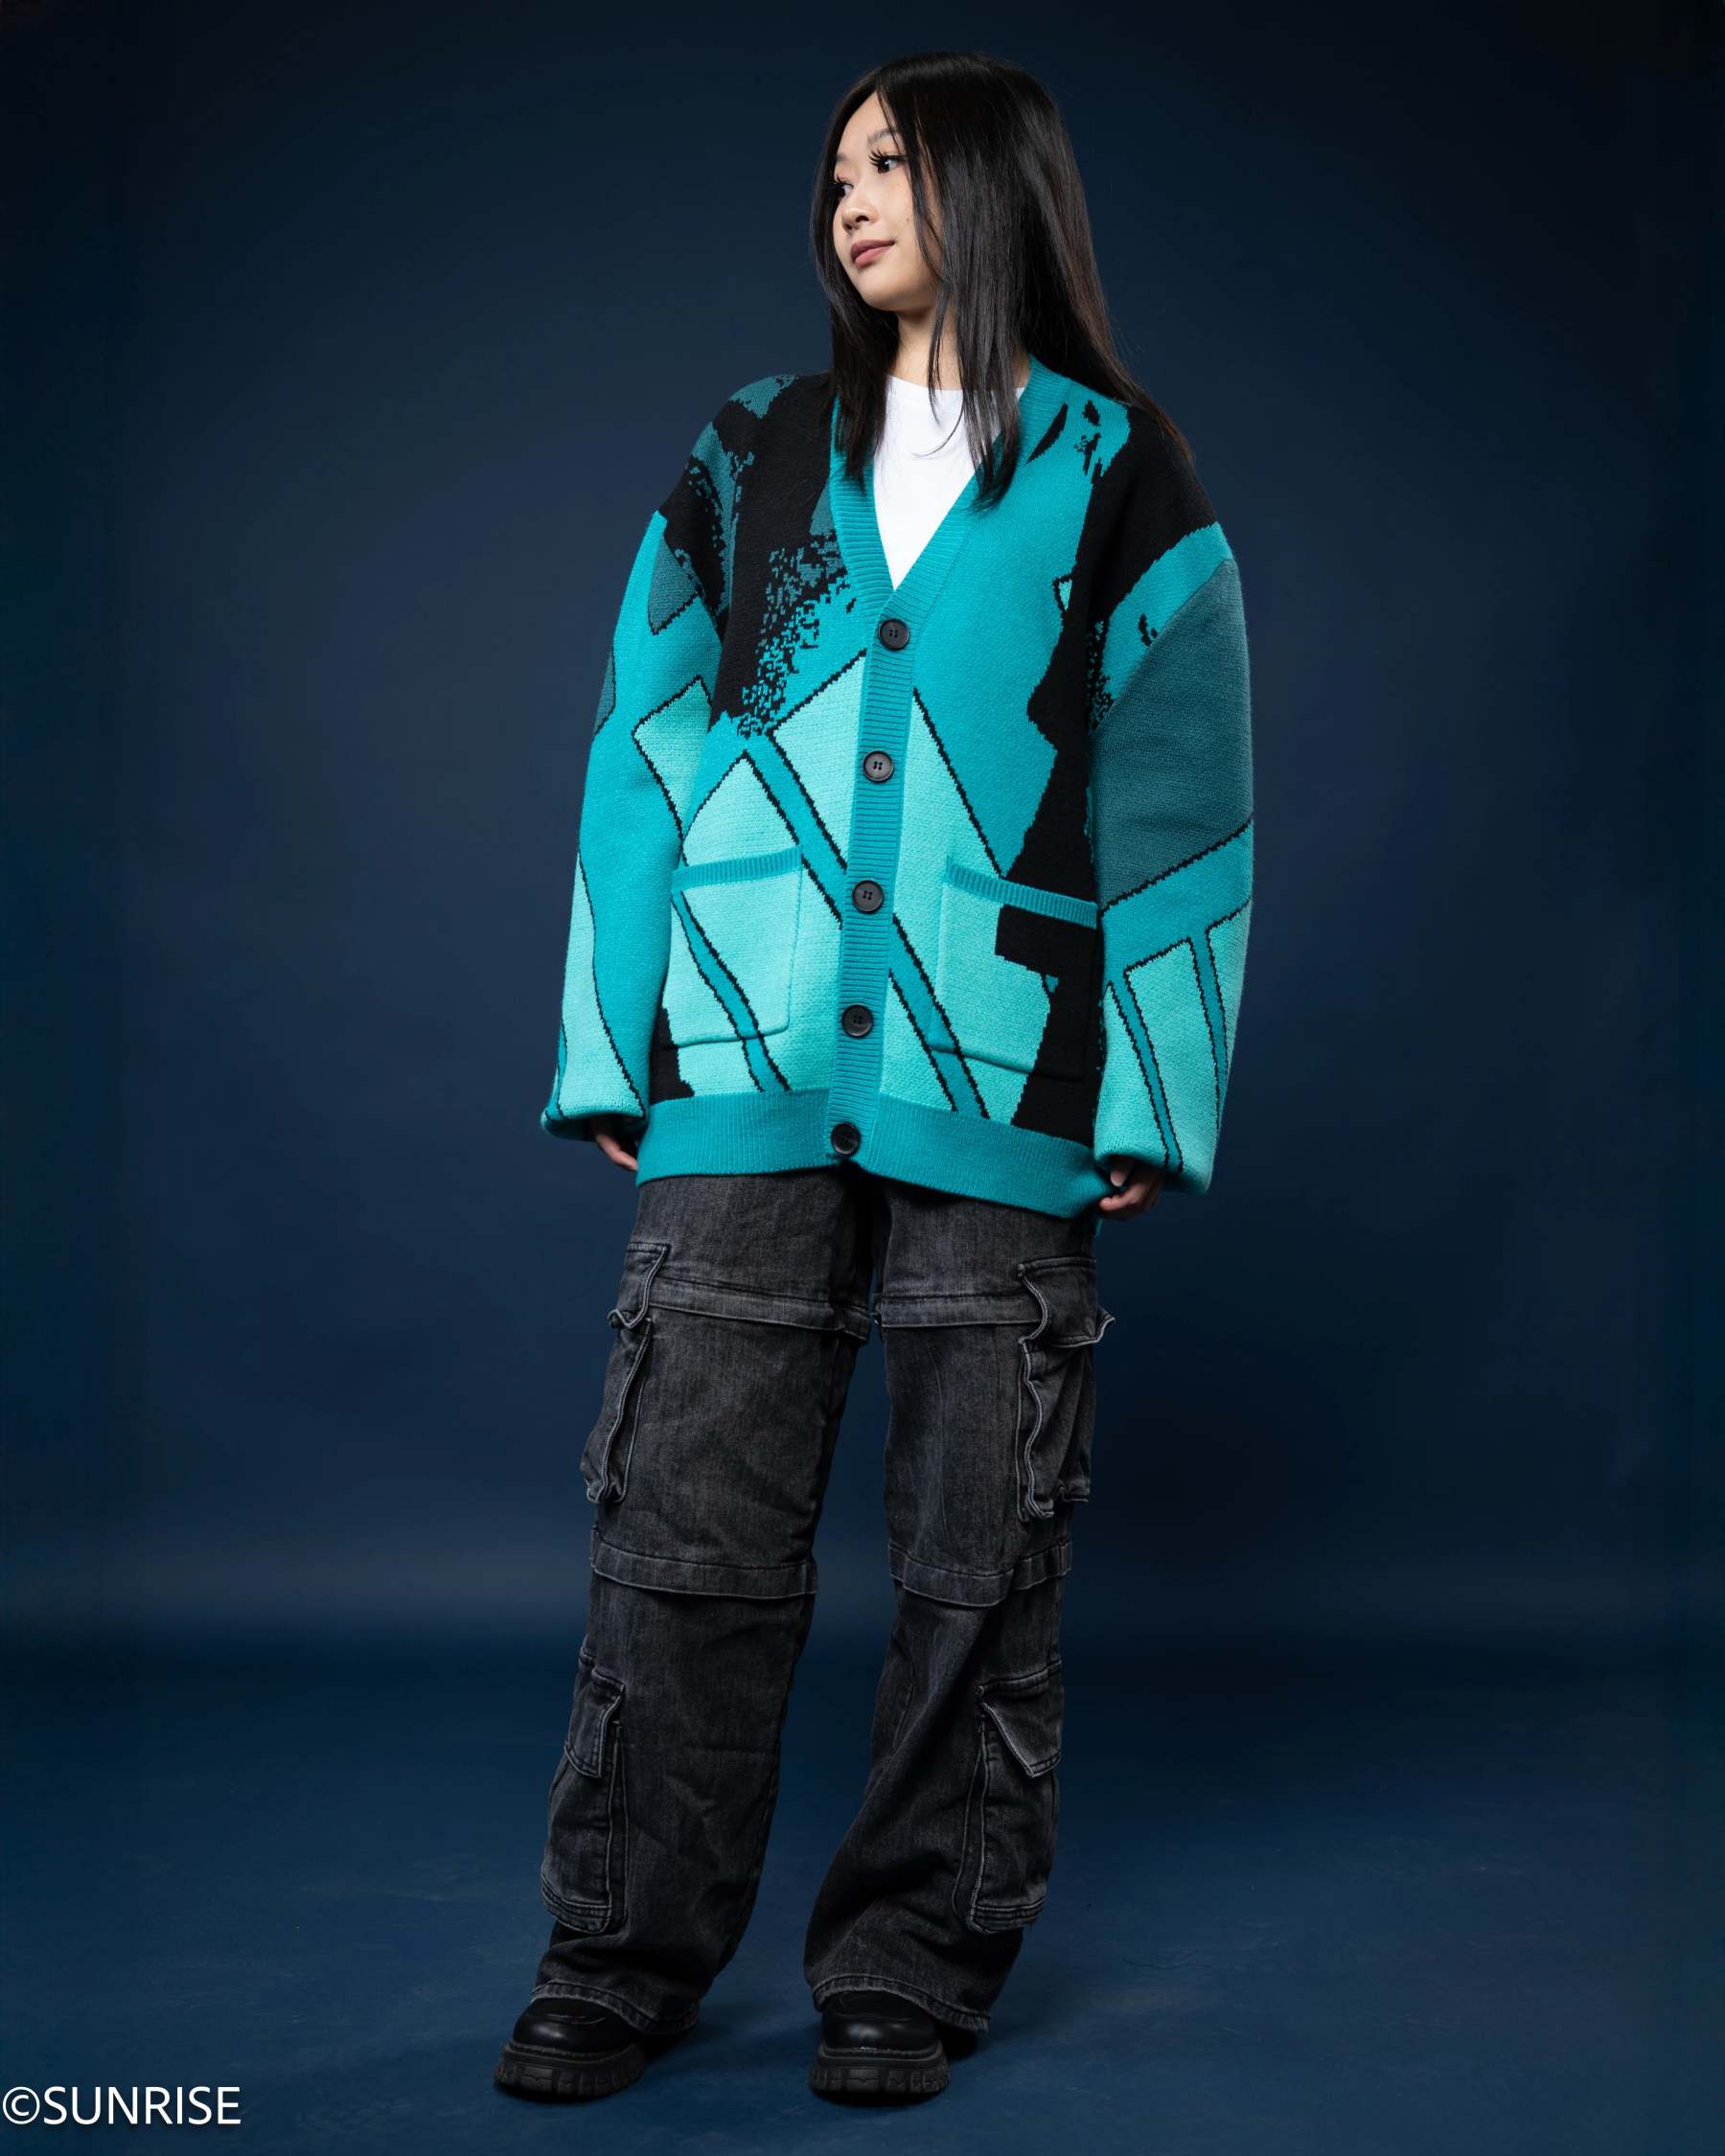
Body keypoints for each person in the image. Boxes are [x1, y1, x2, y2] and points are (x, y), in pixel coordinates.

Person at [494, 46, 1254, 2108]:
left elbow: (1181, 782)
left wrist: (1149, 1087)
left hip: (1002, 1076)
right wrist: (615, 1039)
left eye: (893, 163)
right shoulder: (750, 452)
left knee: (976, 1556)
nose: (849, 198)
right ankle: (621, 1951)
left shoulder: (1115, 471)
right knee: (683, 1532)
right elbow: (643, 743)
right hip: (742, 1055)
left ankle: (913, 1959)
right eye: (835, 168)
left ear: (995, 185)